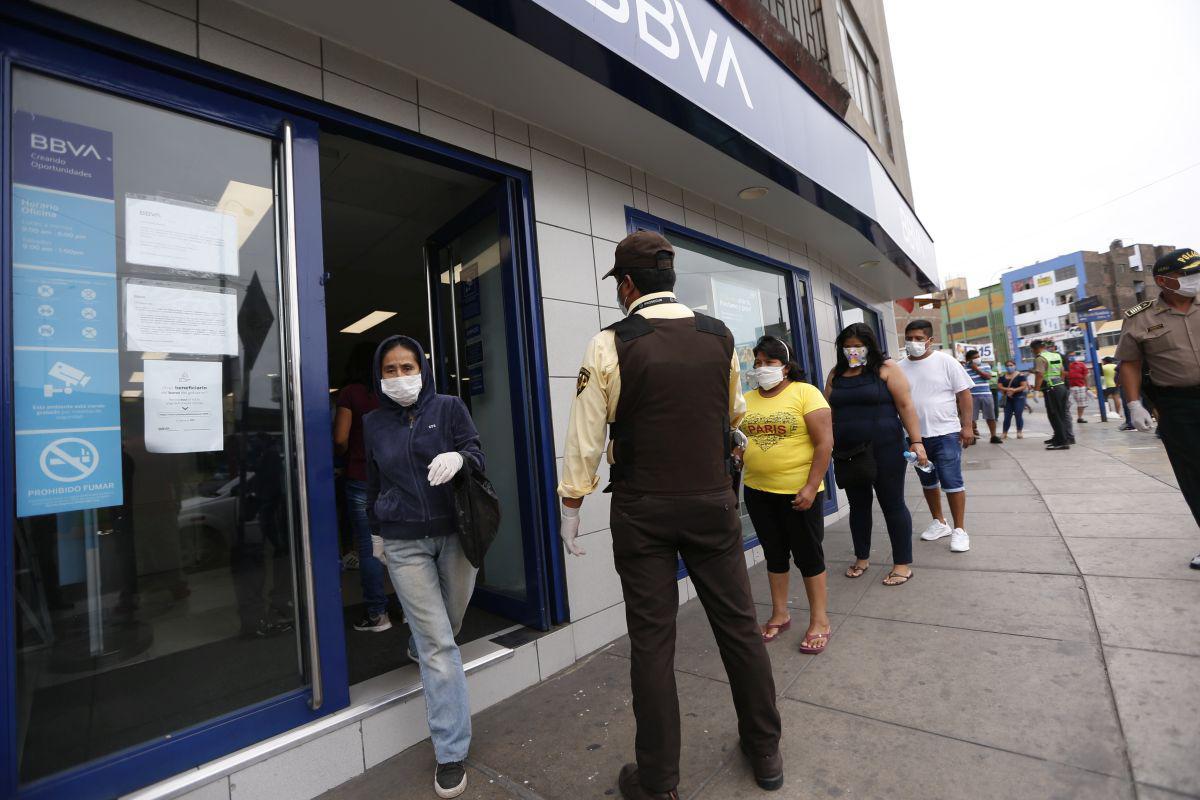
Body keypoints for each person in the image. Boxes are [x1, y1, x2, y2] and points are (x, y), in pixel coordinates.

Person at [557, 231, 783, 799]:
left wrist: (572, 503)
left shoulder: (609, 343)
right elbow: (733, 412)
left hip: (644, 509)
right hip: (712, 501)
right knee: (739, 628)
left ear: (627, 285)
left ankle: (657, 781)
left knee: (653, 643)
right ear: (671, 279)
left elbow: (586, 435)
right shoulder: (720, 335)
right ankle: (765, 751)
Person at [364, 335, 485, 799]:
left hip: (456, 534)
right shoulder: (373, 422)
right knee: (440, 645)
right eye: (390, 369)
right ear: (380, 375)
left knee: (447, 626)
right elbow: (373, 481)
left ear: (423, 368)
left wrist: (460, 458)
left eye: (407, 366)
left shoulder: (450, 408)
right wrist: (377, 532)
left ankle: (418, 639)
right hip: (403, 542)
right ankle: (451, 752)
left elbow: (477, 453)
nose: (399, 377)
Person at [738, 335, 834, 652]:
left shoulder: (806, 394)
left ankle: (819, 620)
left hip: (799, 493)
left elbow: (824, 444)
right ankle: (780, 613)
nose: (763, 368)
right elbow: (739, 438)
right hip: (757, 491)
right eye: (759, 363)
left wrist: (810, 486)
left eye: (770, 362)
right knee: (774, 555)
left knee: (808, 555)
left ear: (786, 366)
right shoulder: (747, 400)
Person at [1114, 248, 1200, 570]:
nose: (1195, 279)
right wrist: (1135, 404)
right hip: (1178, 406)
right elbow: (1131, 364)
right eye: (1188, 274)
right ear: (1164, 281)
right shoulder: (1140, 317)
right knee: (1194, 474)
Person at [825, 323, 923, 586]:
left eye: (858, 346)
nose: (852, 351)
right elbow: (828, 411)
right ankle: (862, 557)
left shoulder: (886, 369)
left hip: (885, 447)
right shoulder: (836, 373)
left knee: (892, 503)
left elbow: (905, 405)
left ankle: (902, 564)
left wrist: (916, 441)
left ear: (870, 346)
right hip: (849, 451)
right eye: (847, 347)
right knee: (858, 506)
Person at [897, 320, 975, 553]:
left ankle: (960, 530)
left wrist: (967, 426)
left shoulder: (946, 361)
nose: (913, 342)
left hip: (946, 433)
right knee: (928, 481)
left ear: (930, 340)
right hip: (915, 438)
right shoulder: (899, 367)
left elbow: (964, 395)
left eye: (919, 338)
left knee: (952, 481)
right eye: (909, 338)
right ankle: (939, 522)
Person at [334, 341, 389, 633]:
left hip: (360, 477)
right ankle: (409, 610)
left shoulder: (350, 394)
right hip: (392, 477)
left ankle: (377, 615)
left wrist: (345, 454)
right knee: (402, 545)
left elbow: (341, 437)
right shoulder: (389, 391)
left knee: (368, 548)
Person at [1031, 340, 1072, 450]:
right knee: (1061, 414)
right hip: (1061, 387)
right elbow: (1062, 372)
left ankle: (1062, 442)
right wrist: (1060, 383)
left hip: (1051, 389)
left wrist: (1036, 391)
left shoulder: (1040, 358)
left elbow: (1039, 375)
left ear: (1035, 349)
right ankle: (1059, 438)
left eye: (1032, 350)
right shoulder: (1055, 356)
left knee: (1054, 415)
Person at [963, 349, 1002, 444]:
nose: (977, 359)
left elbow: (988, 377)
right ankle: (972, 437)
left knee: (990, 417)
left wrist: (976, 369)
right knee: (971, 418)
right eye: (975, 358)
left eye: (978, 356)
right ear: (969, 360)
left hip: (986, 394)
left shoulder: (985, 365)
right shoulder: (963, 369)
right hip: (971, 395)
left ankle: (993, 436)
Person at [997, 360, 1028, 440]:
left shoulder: (1020, 375)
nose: (1009, 367)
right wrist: (1008, 389)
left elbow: (1023, 386)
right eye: (1007, 366)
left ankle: (1019, 432)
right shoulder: (1002, 377)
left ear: (1014, 365)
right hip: (1007, 399)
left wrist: (1014, 390)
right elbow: (999, 386)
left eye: (1011, 365)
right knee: (1007, 416)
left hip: (1019, 398)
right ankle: (1004, 433)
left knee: (1018, 415)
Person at [1067, 353, 1091, 424]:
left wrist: (1087, 386)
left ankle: (1079, 418)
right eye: (1070, 355)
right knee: (1067, 404)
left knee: (1081, 404)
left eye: (1073, 355)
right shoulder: (1065, 365)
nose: (1072, 357)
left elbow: (1086, 375)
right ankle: (1067, 417)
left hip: (1080, 386)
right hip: (1069, 388)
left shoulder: (1081, 364)